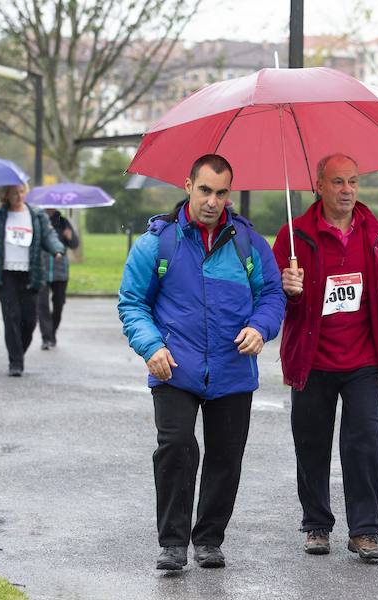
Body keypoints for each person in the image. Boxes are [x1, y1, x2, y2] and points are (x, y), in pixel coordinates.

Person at [118, 154, 285, 571]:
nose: (213, 201)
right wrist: (151, 346)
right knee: (175, 447)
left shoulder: (249, 243)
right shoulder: (158, 243)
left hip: (233, 368)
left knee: (226, 457)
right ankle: (172, 544)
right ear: (188, 185)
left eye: (221, 192)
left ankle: (209, 539)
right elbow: (132, 303)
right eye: (205, 190)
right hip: (173, 366)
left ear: (230, 193)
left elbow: (272, 296)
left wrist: (260, 328)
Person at [273, 153, 378, 561]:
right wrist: (288, 288)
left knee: (365, 442)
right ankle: (316, 525)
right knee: (311, 443)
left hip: (362, 360)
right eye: (337, 182)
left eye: (353, 181)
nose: (347, 190)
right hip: (312, 358)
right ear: (319, 185)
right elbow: (270, 300)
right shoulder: (293, 237)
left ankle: (365, 530)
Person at [0, 184, 64, 376]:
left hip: (30, 273)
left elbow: (48, 235)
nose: (19, 196)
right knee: (12, 317)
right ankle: (15, 362)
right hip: (5, 274)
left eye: (21, 192)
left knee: (29, 320)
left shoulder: (36, 215)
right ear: (5, 195)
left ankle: (18, 352)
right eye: (14, 193)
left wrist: (57, 249)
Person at [38, 208, 79, 350]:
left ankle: (52, 332)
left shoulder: (63, 221)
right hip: (41, 268)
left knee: (59, 304)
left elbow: (74, 244)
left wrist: (70, 236)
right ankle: (46, 338)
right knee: (42, 304)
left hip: (60, 270)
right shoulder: (38, 220)